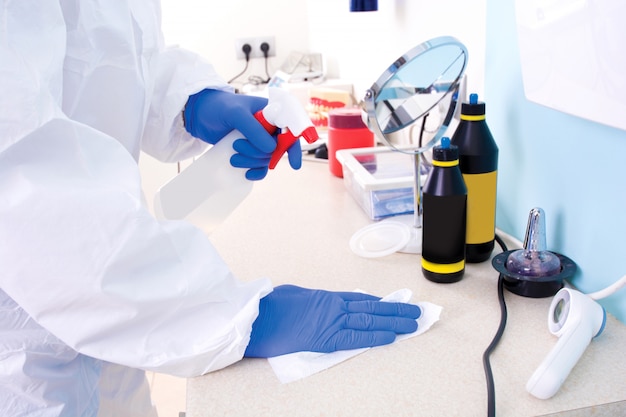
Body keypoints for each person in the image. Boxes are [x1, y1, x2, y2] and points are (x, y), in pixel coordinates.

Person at [0, 2, 422, 416]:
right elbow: (23, 181)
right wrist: (227, 315)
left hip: (111, 321)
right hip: (25, 346)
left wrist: (191, 103)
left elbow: (116, 59)